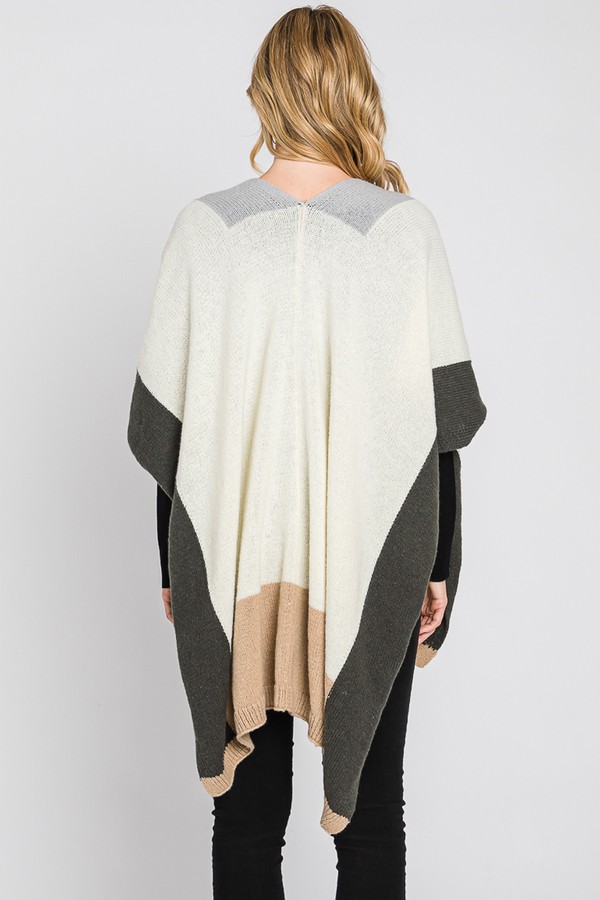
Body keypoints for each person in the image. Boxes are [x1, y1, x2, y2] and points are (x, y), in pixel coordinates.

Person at [127, 6, 487, 898]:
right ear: (354, 89)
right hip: (370, 566)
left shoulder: (206, 232)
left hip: (233, 566)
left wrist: (173, 566)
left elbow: (175, 435)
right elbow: (436, 432)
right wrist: (437, 566)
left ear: (265, 91)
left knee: (246, 824)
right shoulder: (403, 231)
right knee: (373, 818)